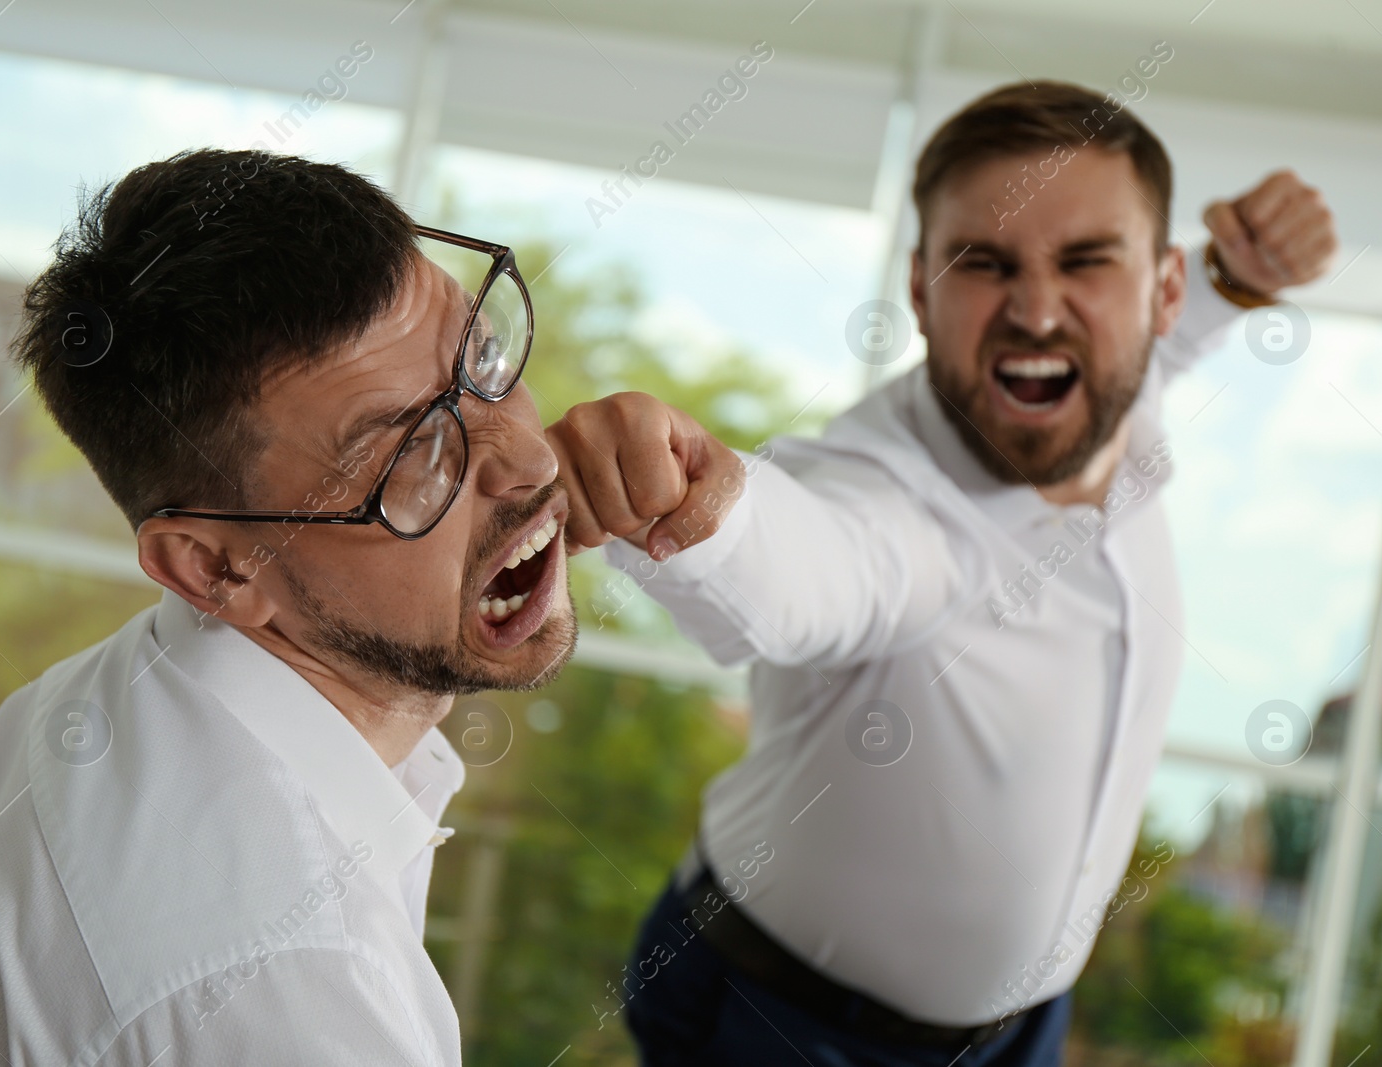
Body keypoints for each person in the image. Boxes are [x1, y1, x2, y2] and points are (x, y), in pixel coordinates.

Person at [546, 81, 1338, 1065]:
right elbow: (810, 558)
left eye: (1086, 260)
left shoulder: (1113, 393)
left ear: (1162, 288)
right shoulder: (886, 490)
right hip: (787, 1025)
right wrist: (688, 501)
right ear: (920, 290)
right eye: (985, 263)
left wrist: (1239, 275)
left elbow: (1158, 348)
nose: (1038, 311)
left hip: (1021, 1034)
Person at [0, 149, 575, 1065]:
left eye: (483, 358)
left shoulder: (124, 697)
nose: (533, 458)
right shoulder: (284, 984)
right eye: (409, 454)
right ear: (213, 568)